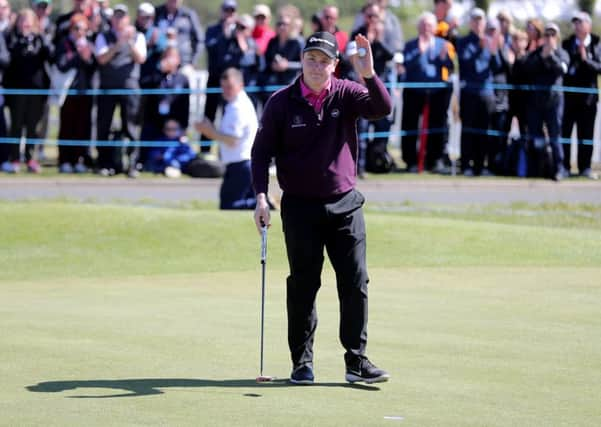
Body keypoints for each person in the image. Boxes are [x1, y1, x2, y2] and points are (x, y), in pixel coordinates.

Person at [251, 32, 392, 385]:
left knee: (355, 282)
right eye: (311, 58)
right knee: (303, 285)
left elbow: (382, 109)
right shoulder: (281, 102)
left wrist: (370, 74)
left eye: (324, 60)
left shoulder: (346, 92)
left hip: (344, 204)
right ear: (302, 60)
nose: (316, 66)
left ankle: (356, 362)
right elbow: (260, 153)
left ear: (335, 65)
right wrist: (260, 196)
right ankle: (302, 363)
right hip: (299, 207)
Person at [94, 4, 147, 176]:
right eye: (116, 17)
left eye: (122, 17)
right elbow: (102, 59)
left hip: (129, 88)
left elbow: (140, 58)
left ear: (127, 20)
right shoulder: (103, 36)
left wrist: (129, 42)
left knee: (130, 127)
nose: (119, 20)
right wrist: (118, 44)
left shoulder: (138, 36)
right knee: (104, 126)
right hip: (107, 88)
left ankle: (131, 164)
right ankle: (104, 163)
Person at [196, 68, 257, 210]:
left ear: (240, 85)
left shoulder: (238, 107)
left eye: (230, 87)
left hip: (241, 164)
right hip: (241, 163)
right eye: (223, 87)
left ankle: (267, 204)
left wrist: (209, 132)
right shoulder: (235, 104)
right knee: (232, 204)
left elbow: (233, 140)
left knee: (229, 206)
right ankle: (261, 203)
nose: (226, 91)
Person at [400, 11, 454, 173]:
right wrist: (420, 52)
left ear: (434, 27)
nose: (425, 28)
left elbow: (450, 66)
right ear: (418, 27)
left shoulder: (442, 44)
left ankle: (434, 160)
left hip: (436, 91)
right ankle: (411, 161)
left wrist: (445, 57)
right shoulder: (410, 45)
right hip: (413, 90)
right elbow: (405, 64)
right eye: (423, 25)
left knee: (436, 126)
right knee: (410, 126)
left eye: (429, 25)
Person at [4, 8, 52, 173]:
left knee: (33, 126)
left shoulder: (39, 38)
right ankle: (15, 158)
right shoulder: (10, 37)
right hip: (16, 89)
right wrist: (21, 41)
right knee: (16, 126)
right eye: (22, 20)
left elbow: (49, 54)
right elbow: (7, 59)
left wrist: (40, 36)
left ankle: (31, 158)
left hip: (36, 89)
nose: (25, 24)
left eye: (29, 20)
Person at [456, 8, 502, 176]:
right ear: (470, 22)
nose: (478, 23)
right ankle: (466, 165)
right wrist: (479, 49)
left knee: (484, 130)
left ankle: (480, 166)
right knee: (468, 129)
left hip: (486, 93)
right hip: (469, 92)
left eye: (480, 20)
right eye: (475, 20)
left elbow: (496, 66)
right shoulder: (463, 41)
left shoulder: (490, 41)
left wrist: (492, 50)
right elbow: (466, 64)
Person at [524, 22, 569, 181]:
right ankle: (536, 169)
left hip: (554, 102)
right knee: (536, 137)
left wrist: (550, 56)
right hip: (536, 102)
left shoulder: (562, 54)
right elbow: (527, 69)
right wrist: (542, 56)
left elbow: (562, 70)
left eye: (552, 35)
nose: (549, 38)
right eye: (547, 35)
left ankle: (559, 168)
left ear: (557, 37)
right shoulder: (536, 54)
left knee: (555, 137)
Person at [561, 11, 601, 180]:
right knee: (566, 134)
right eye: (575, 23)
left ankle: (585, 167)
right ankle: (565, 167)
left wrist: (586, 60)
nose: (577, 26)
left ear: (588, 26)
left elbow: (599, 67)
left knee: (586, 135)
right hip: (569, 99)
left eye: (580, 22)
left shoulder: (597, 44)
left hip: (588, 100)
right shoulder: (567, 43)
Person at [54, 13, 96, 173]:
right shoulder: (64, 44)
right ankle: (64, 160)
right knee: (67, 127)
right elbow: (62, 64)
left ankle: (80, 159)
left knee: (82, 128)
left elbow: (93, 66)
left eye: (83, 29)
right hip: (68, 93)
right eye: (77, 28)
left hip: (85, 92)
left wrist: (86, 57)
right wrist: (78, 55)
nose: (80, 32)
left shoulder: (89, 44)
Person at [154, 0, 202, 68]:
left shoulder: (188, 14)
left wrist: (193, 62)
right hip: (159, 62)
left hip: (184, 62)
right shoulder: (157, 12)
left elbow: (199, 40)